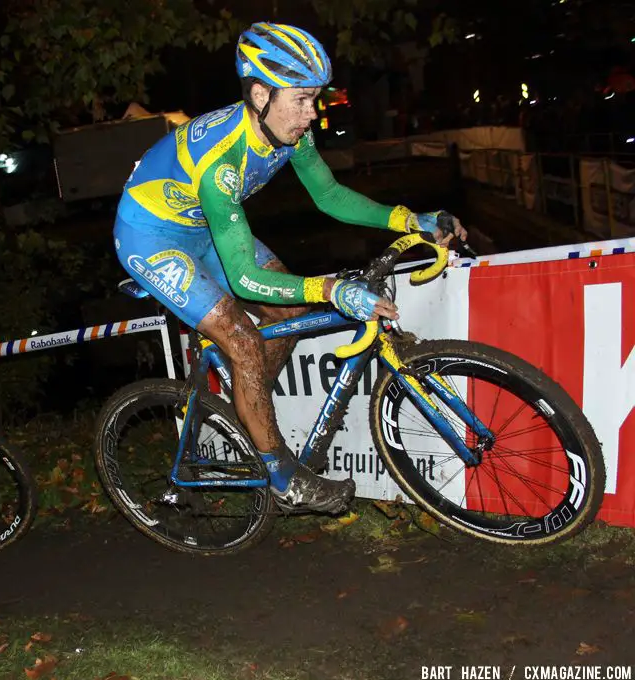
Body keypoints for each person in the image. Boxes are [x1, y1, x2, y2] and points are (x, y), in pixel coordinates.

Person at [113, 22, 466, 515]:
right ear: (261, 94)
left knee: (289, 314)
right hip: (152, 238)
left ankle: (248, 412)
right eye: (301, 99)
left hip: (202, 227)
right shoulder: (223, 162)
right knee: (241, 337)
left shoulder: (286, 130)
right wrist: (334, 289)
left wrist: (408, 218)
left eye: (315, 98)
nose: (312, 113)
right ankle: (281, 477)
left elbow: (329, 196)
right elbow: (245, 281)